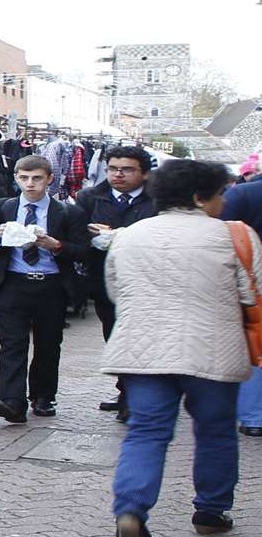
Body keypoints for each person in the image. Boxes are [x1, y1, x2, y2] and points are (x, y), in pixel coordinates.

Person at [101, 159, 259, 537]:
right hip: (212, 348)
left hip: (144, 350)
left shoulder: (130, 235)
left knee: (147, 431)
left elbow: (116, 292)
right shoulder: (234, 237)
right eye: (220, 194)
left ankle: (131, 510)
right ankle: (211, 509)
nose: (225, 201)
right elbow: (251, 294)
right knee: (216, 430)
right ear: (200, 197)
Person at [0, 155, 89, 423]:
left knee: (48, 343)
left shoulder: (68, 212)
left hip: (50, 284)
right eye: (24, 178)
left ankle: (43, 396)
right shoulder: (3, 207)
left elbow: (83, 251)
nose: (30, 184)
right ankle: (11, 400)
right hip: (13, 283)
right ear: (16, 178)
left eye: (37, 178)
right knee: (12, 343)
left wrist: (56, 245)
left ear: (49, 179)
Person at [75, 145, 158, 419]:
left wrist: (120, 236)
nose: (118, 174)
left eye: (127, 169)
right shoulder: (89, 198)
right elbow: (77, 238)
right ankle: (125, 389)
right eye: (113, 169)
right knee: (114, 336)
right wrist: (92, 240)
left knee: (142, 339)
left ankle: (134, 398)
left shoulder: (157, 201)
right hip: (105, 282)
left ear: (144, 174)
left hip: (146, 282)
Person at [218, 174, 262, 437]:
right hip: (250, 280)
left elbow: (219, 238)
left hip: (249, 282)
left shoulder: (242, 194)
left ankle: (254, 416)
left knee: (253, 345)